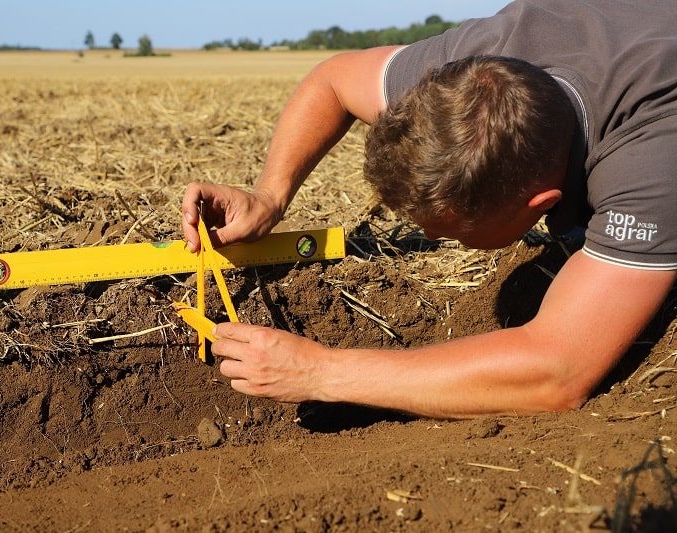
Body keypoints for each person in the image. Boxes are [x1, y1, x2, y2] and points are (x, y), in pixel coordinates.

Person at [180, 0, 677, 419]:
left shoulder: (651, 163)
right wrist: (270, 196)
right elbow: (335, 80)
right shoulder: (474, 72)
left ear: (541, 206)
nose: (434, 242)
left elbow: (557, 373)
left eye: (452, 233)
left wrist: (321, 373)